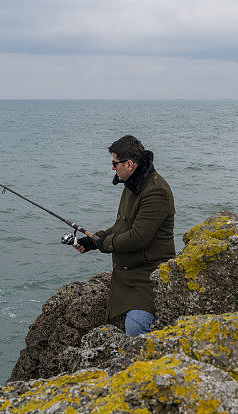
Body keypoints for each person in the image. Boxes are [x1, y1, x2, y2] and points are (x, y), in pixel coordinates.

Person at [74, 135, 175, 336]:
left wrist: (105, 244)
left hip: (149, 275)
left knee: (136, 325)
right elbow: (122, 227)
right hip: (129, 273)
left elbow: (138, 237)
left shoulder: (156, 191)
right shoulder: (133, 185)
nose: (113, 168)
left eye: (115, 163)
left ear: (129, 164)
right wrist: (93, 241)